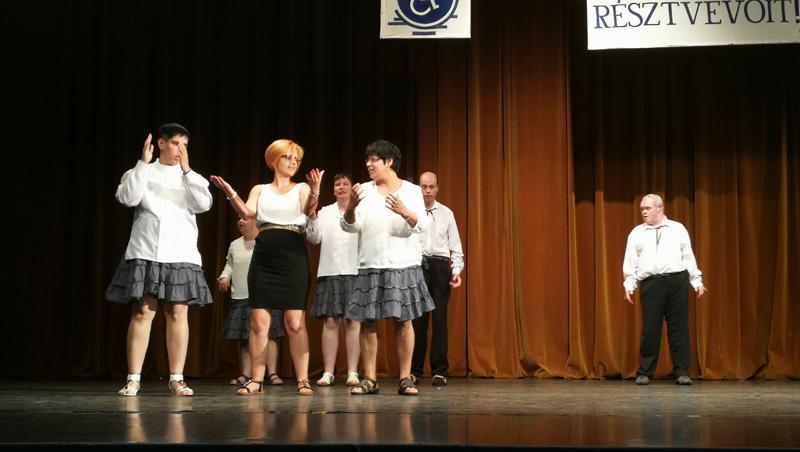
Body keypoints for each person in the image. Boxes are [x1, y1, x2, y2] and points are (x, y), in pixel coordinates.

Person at [106, 123, 213, 397]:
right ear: (162, 144)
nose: (181, 150)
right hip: (146, 251)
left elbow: (204, 204)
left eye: (185, 145)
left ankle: (177, 378)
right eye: (176, 143)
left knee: (178, 313)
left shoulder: (192, 177)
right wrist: (142, 163)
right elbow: (127, 198)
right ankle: (133, 379)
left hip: (181, 253)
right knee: (143, 312)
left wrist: (187, 172)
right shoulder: (142, 172)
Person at [210, 139, 323, 395]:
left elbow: (308, 210)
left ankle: (303, 379)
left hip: (293, 256)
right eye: (287, 157)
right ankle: (256, 380)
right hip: (264, 258)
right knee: (258, 323)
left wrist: (316, 191)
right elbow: (247, 214)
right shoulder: (260, 189)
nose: (293, 163)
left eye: (296, 160)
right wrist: (230, 192)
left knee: (294, 322)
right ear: (274, 159)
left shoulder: (302, 188)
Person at [341, 139, 434, 396]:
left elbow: (422, 225)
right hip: (370, 263)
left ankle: (405, 377)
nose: (368, 164)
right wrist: (351, 207)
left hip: (403, 264)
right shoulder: (362, 190)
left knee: (403, 321)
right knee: (368, 322)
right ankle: (370, 378)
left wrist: (405, 211)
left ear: (389, 161)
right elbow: (348, 226)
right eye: (367, 159)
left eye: (374, 159)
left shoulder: (411, 191)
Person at [622, 193, 707, 385]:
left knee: (678, 328)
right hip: (651, 284)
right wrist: (629, 284)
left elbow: (688, 256)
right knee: (651, 329)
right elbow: (631, 260)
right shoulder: (636, 233)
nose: (643, 212)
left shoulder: (677, 229)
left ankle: (681, 371)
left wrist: (696, 280)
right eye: (642, 209)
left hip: (676, 282)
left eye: (647, 208)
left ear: (659, 208)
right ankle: (645, 372)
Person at [305, 174, 361, 387]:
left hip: (354, 271)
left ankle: (353, 372)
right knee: (330, 321)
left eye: (346, 184)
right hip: (329, 271)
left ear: (351, 188)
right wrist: (312, 216)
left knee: (352, 321)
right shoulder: (325, 212)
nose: (341, 187)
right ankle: (328, 372)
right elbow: (314, 238)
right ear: (333, 189)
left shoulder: (360, 210)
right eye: (337, 184)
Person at [218, 217, 286, 387]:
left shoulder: (264, 242)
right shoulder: (235, 244)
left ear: (256, 222)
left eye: (245, 218)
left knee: (270, 335)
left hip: (264, 296)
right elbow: (230, 265)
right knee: (245, 337)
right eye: (238, 218)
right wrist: (225, 276)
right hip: (241, 296)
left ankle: (272, 373)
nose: (240, 221)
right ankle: (246, 374)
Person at [411, 172, 464, 387]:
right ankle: (414, 370)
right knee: (418, 320)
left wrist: (456, 270)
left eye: (431, 186)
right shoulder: (411, 212)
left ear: (437, 188)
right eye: (424, 186)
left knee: (440, 318)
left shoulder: (447, 213)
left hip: (441, 266)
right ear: (419, 188)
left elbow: (456, 247)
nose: (427, 190)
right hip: (418, 265)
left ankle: (439, 371)